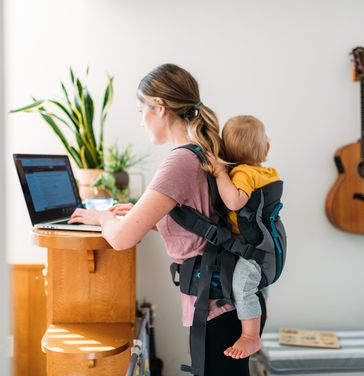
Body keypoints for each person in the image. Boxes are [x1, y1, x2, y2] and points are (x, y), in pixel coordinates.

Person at [68, 63, 266, 376]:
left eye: (140, 109)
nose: (141, 120)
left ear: (160, 107)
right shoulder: (200, 152)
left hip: (216, 305)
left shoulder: (180, 161)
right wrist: (141, 215)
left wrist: (102, 216)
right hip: (225, 301)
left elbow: (120, 239)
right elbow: (198, 222)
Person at [208, 115, 279, 360]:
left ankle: (251, 336)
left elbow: (234, 201)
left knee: (242, 285)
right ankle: (261, 311)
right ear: (266, 148)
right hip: (268, 244)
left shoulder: (243, 174)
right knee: (258, 281)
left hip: (253, 248)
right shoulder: (266, 172)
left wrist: (219, 173)